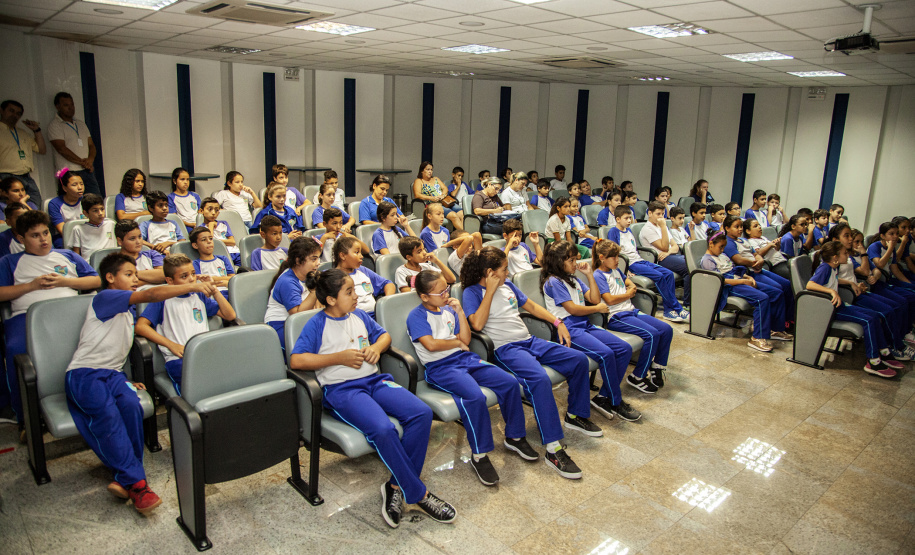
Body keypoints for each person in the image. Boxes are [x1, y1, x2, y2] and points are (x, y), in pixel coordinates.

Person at [289, 269, 456, 528]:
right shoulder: (316, 323)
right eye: (349, 292)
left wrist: (377, 348)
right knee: (383, 428)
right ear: (331, 299)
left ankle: (394, 486)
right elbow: (297, 360)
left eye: (355, 290)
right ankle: (419, 494)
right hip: (343, 389)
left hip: (375, 381)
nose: (357, 296)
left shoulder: (358, 315)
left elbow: (384, 336)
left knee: (421, 413)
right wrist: (338, 358)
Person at [66, 253, 220, 514]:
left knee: (131, 406)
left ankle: (125, 478)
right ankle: (139, 486)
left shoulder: (124, 312)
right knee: (108, 416)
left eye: (136, 274)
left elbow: (112, 352)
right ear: (110, 278)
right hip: (85, 374)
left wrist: (125, 380)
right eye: (129, 275)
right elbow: (150, 295)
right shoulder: (104, 298)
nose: (135, 279)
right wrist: (193, 285)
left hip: (113, 375)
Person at [461, 247, 596, 479]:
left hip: (528, 341)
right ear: (490, 273)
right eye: (504, 270)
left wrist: (557, 322)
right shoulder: (471, 292)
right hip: (506, 349)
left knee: (577, 359)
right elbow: (478, 325)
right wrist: (490, 291)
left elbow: (531, 307)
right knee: (539, 379)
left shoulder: (510, 286)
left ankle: (575, 415)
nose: (508, 273)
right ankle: (554, 449)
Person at [407, 270, 529, 486]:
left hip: (466, 358)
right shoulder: (416, 316)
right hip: (440, 368)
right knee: (475, 396)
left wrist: (460, 311)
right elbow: (432, 345)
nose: (446, 294)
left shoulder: (449, 309)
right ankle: (479, 455)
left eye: (447, 289)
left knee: (509, 382)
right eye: (440, 292)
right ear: (424, 297)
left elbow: (465, 338)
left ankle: (515, 436)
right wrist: (455, 342)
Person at [0, 210, 100, 424]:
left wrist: (66, 282)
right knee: (15, 351)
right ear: (21, 238)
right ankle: (26, 417)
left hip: (71, 312)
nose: (43, 239)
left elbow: (95, 281)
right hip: (27, 316)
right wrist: (31, 286)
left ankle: (99, 398)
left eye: (45, 233)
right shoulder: (10, 261)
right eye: (35, 235)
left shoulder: (67, 255)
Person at [540, 241, 640, 419]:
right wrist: (597, 309)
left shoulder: (574, 278)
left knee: (624, 349)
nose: (575, 263)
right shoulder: (553, 281)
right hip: (568, 328)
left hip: (583, 324)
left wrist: (589, 275)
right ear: (558, 262)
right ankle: (615, 401)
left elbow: (593, 298)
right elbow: (573, 309)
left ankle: (604, 396)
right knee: (606, 354)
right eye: (571, 260)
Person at [135, 254, 235, 394]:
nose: (191, 279)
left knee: (229, 382)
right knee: (198, 391)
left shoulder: (199, 295)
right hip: (179, 359)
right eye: (184, 276)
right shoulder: (163, 299)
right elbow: (140, 326)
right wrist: (171, 345)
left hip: (204, 353)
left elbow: (230, 315)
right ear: (170, 281)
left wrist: (214, 290)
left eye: (193, 274)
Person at [808, 241, 904, 378]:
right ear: (835, 257)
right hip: (830, 310)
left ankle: (884, 352)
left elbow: (834, 280)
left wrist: (850, 282)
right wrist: (831, 292)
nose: (848, 254)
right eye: (845, 253)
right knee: (869, 320)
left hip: (838, 306)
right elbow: (810, 284)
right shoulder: (825, 268)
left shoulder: (833, 267)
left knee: (875, 315)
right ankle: (873, 361)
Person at [593, 241, 673, 393]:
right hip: (616, 316)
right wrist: (628, 294)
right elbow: (609, 300)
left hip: (630, 311)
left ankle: (657, 367)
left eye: (617, 256)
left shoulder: (615, 270)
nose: (617, 260)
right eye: (614, 257)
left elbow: (627, 281)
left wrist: (631, 286)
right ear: (602, 258)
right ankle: (637, 376)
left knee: (666, 329)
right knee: (652, 334)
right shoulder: (599, 275)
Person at [830, 222, 915, 361]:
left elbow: (870, 269)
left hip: (859, 290)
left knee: (894, 306)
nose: (851, 240)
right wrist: (853, 283)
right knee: (886, 311)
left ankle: (897, 343)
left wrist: (866, 278)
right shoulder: (834, 257)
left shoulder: (846, 255)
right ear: (835, 239)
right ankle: (894, 346)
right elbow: (830, 278)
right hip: (849, 295)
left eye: (853, 237)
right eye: (847, 236)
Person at [606, 205, 690, 323]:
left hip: (639, 260)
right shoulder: (613, 232)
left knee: (668, 274)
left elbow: (634, 249)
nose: (629, 220)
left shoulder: (629, 230)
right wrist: (625, 269)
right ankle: (677, 307)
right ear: (618, 219)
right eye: (626, 218)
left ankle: (668, 310)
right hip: (631, 263)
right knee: (659, 276)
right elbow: (614, 253)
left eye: (630, 217)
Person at [700, 232, 776, 353]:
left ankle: (775, 328)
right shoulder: (707, 260)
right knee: (762, 299)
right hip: (729, 287)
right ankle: (756, 338)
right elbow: (720, 281)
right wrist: (742, 282)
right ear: (711, 244)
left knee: (774, 292)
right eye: (720, 246)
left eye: (724, 247)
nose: (722, 250)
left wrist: (747, 277)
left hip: (739, 280)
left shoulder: (722, 255)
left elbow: (733, 269)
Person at [721, 215, 793, 339]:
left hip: (757, 268)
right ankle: (775, 328)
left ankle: (787, 320)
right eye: (736, 227)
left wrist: (759, 260)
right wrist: (755, 262)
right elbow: (738, 260)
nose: (739, 229)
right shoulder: (728, 242)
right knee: (777, 291)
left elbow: (756, 253)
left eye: (741, 227)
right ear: (727, 228)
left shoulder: (743, 240)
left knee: (787, 285)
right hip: (748, 272)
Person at [264, 236, 322, 349]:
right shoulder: (287, 282)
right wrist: (315, 291)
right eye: (314, 259)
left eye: (318, 258)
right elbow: (297, 315)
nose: (318, 263)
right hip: (281, 327)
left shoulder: (308, 274)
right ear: (298, 260)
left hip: (300, 323)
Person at [47, 92, 99, 196]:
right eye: (66, 105)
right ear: (57, 107)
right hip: (68, 172)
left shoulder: (81, 124)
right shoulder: (55, 125)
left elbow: (91, 145)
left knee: (95, 199)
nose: (71, 108)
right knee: (72, 203)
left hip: (87, 170)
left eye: (72, 105)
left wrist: (90, 161)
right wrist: (82, 162)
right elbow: (61, 149)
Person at [640, 201, 690, 306]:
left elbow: (675, 247)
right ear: (650, 213)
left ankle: (689, 301)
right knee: (688, 267)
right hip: (658, 259)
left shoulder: (662, 226)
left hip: (668, 256)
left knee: (693, 263)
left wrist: (668, 252)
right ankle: (687, 303)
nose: (661, 217)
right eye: (658, 214)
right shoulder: (648, 229)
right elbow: (664, 247)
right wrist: (663, 227)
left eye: (663, 214)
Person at [333, 235, 396, 318]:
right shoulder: (332, 277)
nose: (361, 256)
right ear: (342, 255)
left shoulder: (363, 270)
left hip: (376, 316)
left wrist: (385, 303)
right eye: (356, 252)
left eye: (361, 253)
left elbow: (388, 284)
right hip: (352, 318)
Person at [0, 99, 46, 208]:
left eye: (18, 113)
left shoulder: (22, 133)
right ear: (1, 110)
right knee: (10, 210)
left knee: (35, 206)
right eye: (11, 111)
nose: (15, 115)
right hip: (6, 177)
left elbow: (42, 150)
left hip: (26, 177)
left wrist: (36, 130)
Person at [412, 161, 463, 231]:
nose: (430, 171)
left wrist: (443, 195)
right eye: (427, 169)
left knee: (461, 214)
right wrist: (431, 198)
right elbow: (417, 195)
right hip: (433, 204)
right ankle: (465, 235)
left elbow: (445, 188)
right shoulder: (419, 181)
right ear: (422, 171)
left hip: (445, 201)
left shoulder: (436, 179)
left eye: (431, 170)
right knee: (454, 215)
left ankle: (462, 235)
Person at [115, 220, 164, 290]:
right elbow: (123, 286)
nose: (138, 242)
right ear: (120, 241)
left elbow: (162, 275)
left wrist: (131, 274)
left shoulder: (151, 254)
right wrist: (152, 279)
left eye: (140, 237)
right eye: (132, 239)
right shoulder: (114, 262)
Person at [69, 193, 115, 261]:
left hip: (112, 263)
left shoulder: (111, 224)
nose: (100, 213)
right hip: (90, 265)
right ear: (85, 213)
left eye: (102, 209)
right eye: (95, 211)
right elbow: (76, 255)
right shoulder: (78, 229)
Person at [189, 226, 235, 293]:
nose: (209, 242)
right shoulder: (195, 264)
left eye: (210, 238)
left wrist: (214, 279)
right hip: (212, 294)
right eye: (203, 240)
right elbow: (200, 283)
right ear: (195, 245)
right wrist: (224, 282)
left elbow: (232, 278)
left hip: (230, 292)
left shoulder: (223, 259)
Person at [47, 168, 85, 248]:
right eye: (74, 185)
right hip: (64, 237)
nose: (80, 187)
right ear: (64, 188)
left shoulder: (87, 200)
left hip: (86, 235)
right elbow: (62, 230)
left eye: (81, 184)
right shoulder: (54, 204)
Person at [199, 196, 240, 267]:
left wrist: (217, 241)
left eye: (216, 210)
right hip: (220, 255)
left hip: (235, 253)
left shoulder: (223, 223)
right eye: (210, 209)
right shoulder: (200, 228)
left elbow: (232, 242)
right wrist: (211, 226)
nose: (213, 213)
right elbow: (211, 242)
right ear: (201, 211)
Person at [167, 167, 200, 232]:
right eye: (182, 179)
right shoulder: (171, 197)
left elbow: (200, 212)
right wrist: (191, 224)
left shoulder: (195, 196)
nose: (185, 182)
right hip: (183, 227)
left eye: (187, 179)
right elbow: (174, 218)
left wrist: (198, 224)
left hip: (198, 225)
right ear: (174, 181)